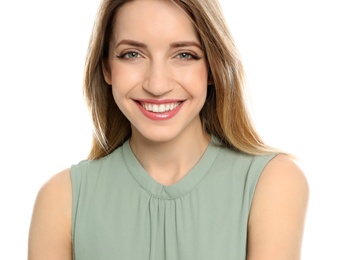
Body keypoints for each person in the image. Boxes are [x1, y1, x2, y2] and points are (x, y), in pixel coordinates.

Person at [28, 0, 309, 259]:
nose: (157, 84)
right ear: (106, 68)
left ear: (212, 68)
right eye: (132, 54)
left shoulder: (271, 181)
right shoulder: (61, 198)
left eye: (184, 54)